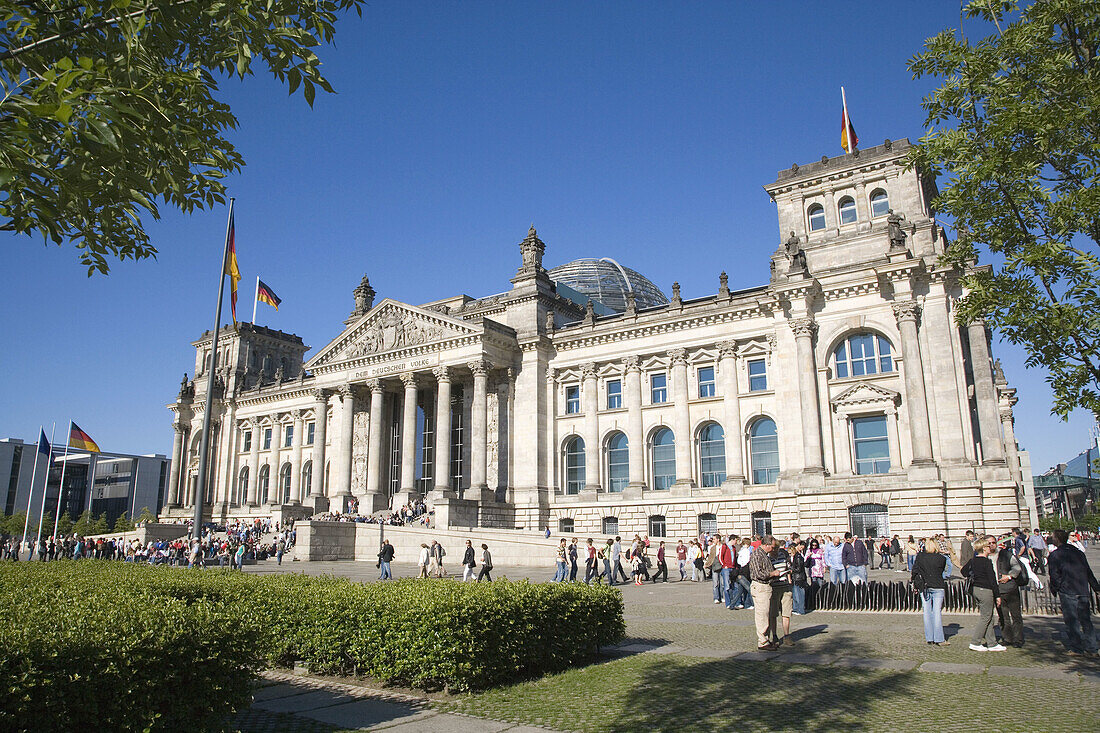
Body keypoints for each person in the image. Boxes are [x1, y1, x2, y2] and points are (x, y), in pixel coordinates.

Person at [1047, 529, 1100, 657]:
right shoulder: (1078, 553)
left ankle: (1076, 648)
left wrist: (1055, 588)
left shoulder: (1055, 555)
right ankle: (1092, 648)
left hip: (1067, 590)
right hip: (1082, 589)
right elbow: (1088, 572)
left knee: (1072, 621)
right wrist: (1096, 588)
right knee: (1086, 620)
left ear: (1057, 539)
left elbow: (1054, 575)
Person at [960, 537, 1005, 652]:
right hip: (986, 590)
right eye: (988, 546)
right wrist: (998, 595)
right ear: (984, 549)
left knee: (988, 616)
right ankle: (975, 641)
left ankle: (992, 643)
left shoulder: (973, 560)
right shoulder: (986, 562)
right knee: (986, 617)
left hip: (976, 589)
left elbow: (963, 571)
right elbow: (992, 580)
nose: (990, 548)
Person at [912, 538, 948, 645]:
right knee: (937, 612)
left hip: (924, 585)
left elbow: (915, 570)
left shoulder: (920, 557)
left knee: (927, 611)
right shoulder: (942, 558)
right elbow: (940, 571)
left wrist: (914, 583)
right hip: (937, 585)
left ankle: (929, 637)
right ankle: (939, 638)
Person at [749, 535, 783, 651]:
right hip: (760, 587)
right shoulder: (757, 554)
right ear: (767, 545)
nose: (773, 549)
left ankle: (766, 639)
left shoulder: (764, 555)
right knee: (762, 615)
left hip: (766, 587)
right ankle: (762, 641)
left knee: (766, 614)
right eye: (772, 547)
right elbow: (758, 574)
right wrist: (772, 574)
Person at [994, 538, 1025, 647]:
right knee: (1003, 616)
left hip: (1010, 588)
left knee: (1016, 615)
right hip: (997, 590)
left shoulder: (1006, 555)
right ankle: (1007, 638)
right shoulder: (986, 557)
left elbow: (1017, 567)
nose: (992, 545)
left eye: (993, 543)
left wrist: (1009, 576)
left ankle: (1018, 639)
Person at [769, 540, 794, 643]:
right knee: (773, 613)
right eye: (773, 548)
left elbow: (789, 567)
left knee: (786, 612)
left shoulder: (783, 556)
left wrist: (789, 576)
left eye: (776, 548)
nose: (774, 550)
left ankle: (786, 635)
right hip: (774, 587)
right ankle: (774, 635)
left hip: (785, 586)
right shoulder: (768, 558)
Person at [790, 539, 808, 615]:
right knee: (797, 594)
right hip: (799, 577)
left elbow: (799, 568)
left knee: (799, 594)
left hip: (798, 577)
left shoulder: (798, 556)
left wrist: (791, 569)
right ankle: (797, 609)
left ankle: (800, 610)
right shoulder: (798, 555)